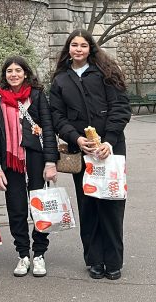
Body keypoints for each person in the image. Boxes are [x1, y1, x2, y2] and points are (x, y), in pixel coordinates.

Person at [48, 30, 131, 281]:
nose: (78, 49)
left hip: (110, 149)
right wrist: (75, 138)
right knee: (88, 206)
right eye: (74, 45)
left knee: (111, 205)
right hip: (82, 150)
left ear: (90, 48)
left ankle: (113, 262)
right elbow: (57, 116)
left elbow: (120, 107)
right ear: (68, 49)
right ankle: (94, 259)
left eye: (83, 45)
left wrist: (109, 141)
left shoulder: (106, 73)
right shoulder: (61, 79)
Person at [0, 56, 59, 277]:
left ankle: (39, 254)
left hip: (36, 159)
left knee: (39, 207)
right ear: (5, 75)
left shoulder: (36, 96)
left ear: (26, 73)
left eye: (18, 70)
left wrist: (50, 162)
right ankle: (22, 254)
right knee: (16, 209)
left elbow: (48, 128)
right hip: (11, 162)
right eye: (9, 71)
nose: (14, 74)